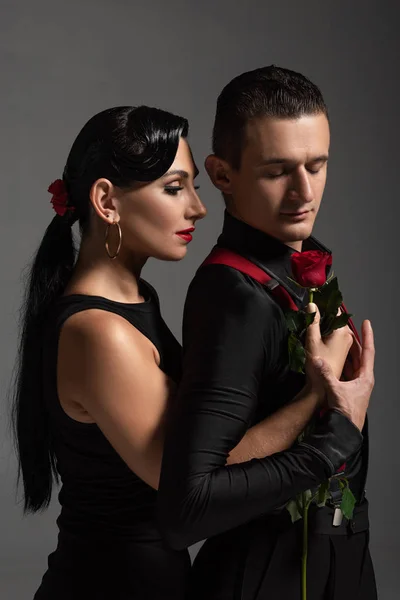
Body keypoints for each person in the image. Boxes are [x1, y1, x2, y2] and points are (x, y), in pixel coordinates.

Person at [157, 66, 377, 599]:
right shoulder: (232, 296)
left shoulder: (304, 258)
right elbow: (187, 510)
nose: (304, 191)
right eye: (278, 171)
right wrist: (333, 427)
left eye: (317, 165)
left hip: (338, 560)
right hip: (267, 578)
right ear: (223, 174)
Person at [12, 105, 207, 599]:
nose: (197, 208)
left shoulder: (136, 301)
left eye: (195, 187)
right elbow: (186, 485)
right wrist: (319, 409)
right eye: (174, 187)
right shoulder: (100, 332)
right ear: (107, 201)